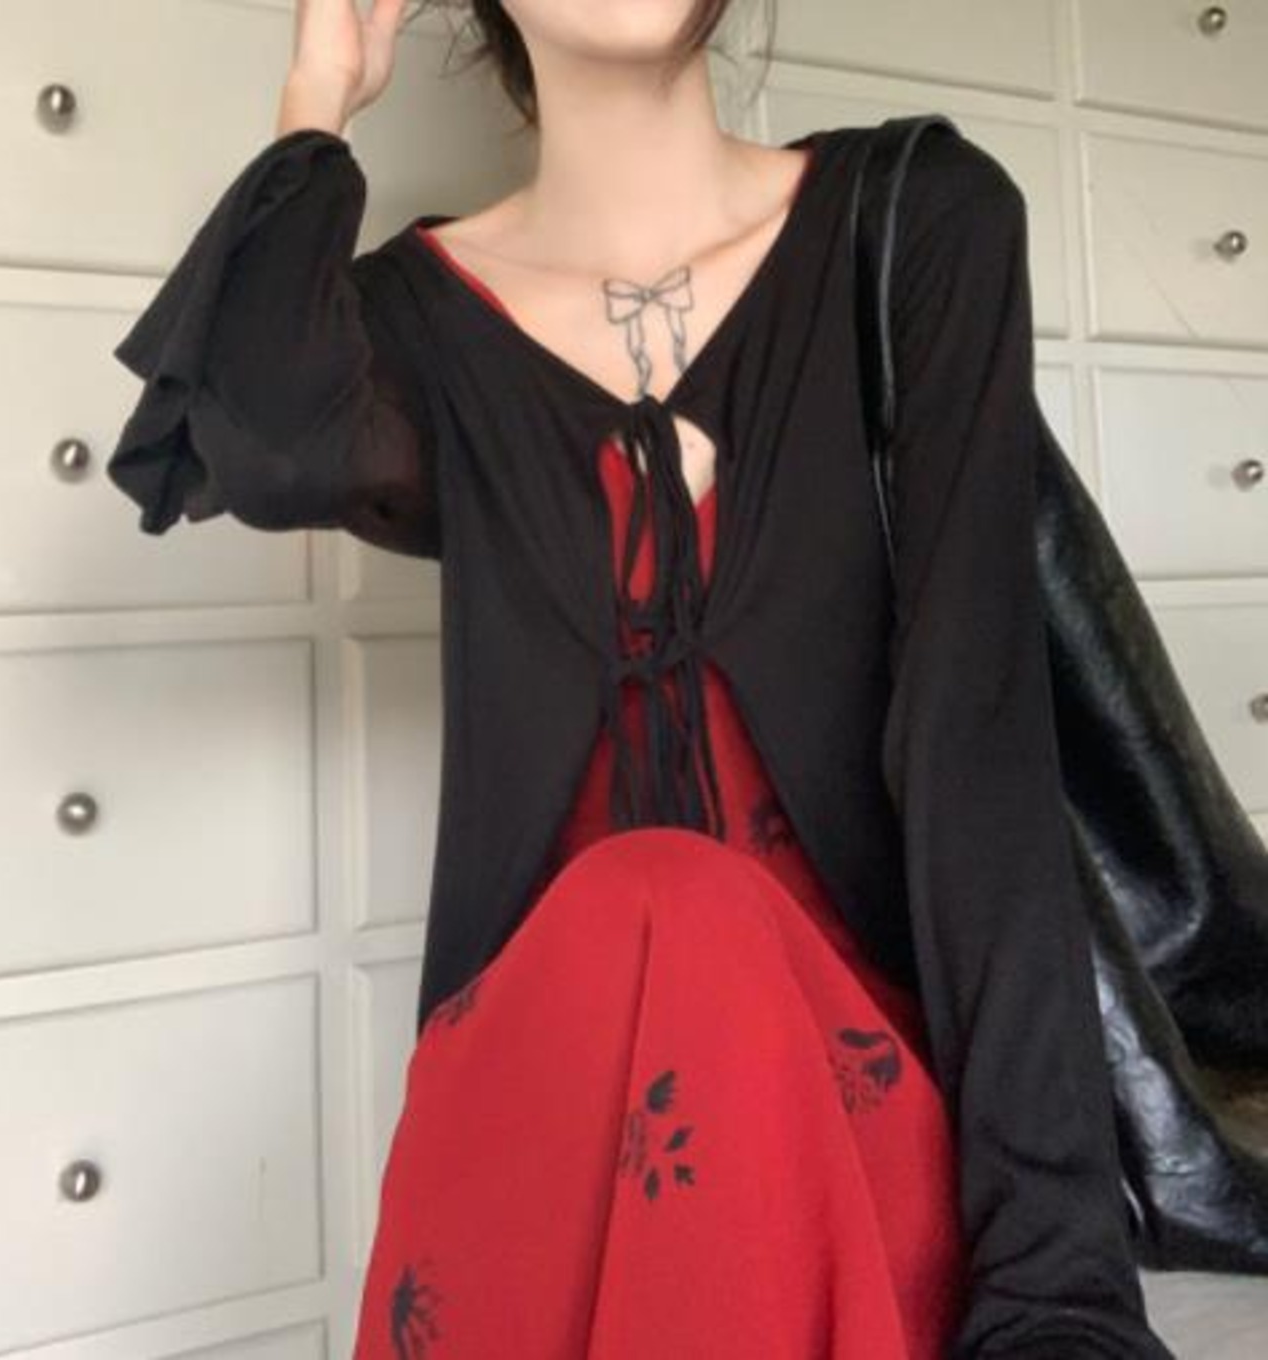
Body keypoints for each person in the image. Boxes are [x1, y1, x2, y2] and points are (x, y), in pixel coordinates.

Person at [105, 2, 1179, 1356]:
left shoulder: (913, 224)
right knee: (648, 895)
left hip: (839, 1103)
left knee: (680, 899)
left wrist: (1056, 1285)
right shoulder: (419, 318)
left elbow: (981, 744)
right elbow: (266, 450)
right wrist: (319, 92)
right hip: (542, 1111)